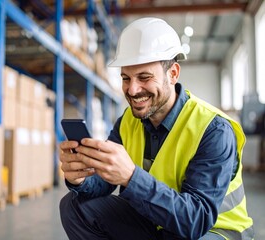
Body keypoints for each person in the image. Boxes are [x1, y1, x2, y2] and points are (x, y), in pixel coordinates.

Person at [59, 17, 254, 240]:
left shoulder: (213, 129)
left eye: (144, 77)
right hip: (159, 223)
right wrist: (81, 179)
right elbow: (103, 182)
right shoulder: (128, 121)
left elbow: (196, 221)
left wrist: (131, 178)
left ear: (173, 74)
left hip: (214, 231)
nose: (132, 90)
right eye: (126, 78)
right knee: (75, 207)